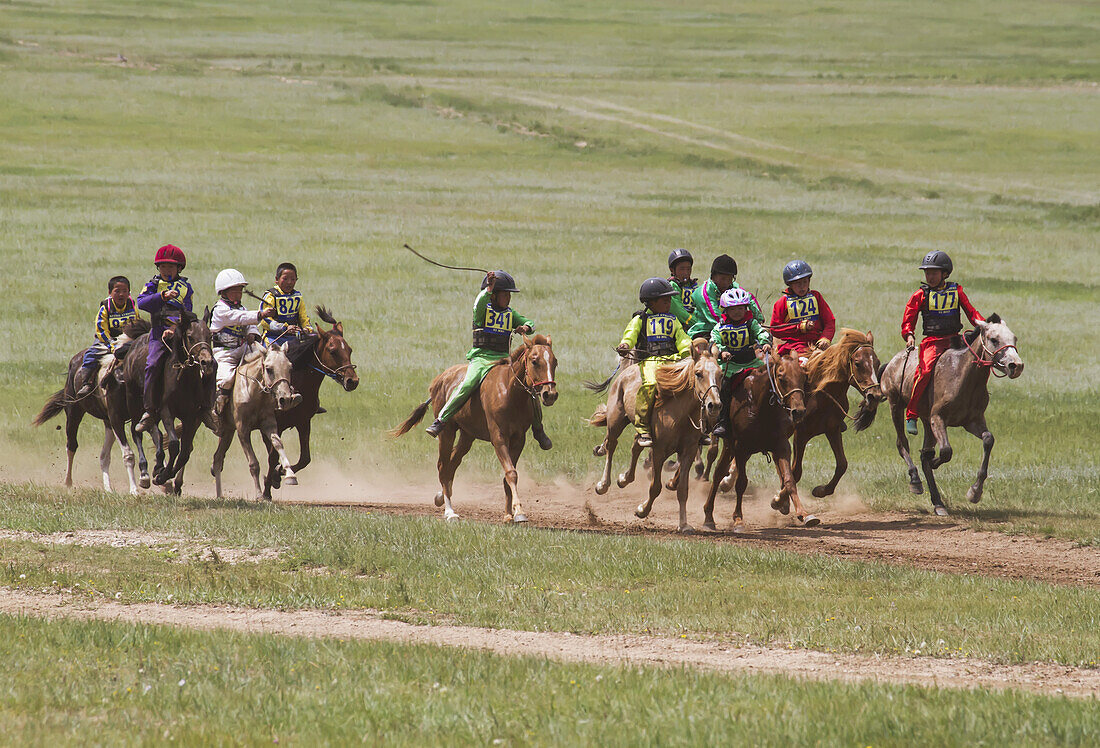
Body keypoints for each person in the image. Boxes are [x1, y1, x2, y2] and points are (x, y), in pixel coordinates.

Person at [425, 271, 552, 450]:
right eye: (505, 294)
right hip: (482, 359)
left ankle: (538, 429)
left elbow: (529, 322)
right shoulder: (482, 311)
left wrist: (526, 326)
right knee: (468, 384)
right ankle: (441, 419)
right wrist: (488, 289)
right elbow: (479, 303)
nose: (508, 298)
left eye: (509, 295)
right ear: (493, 296)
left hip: (503, 360)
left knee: (530, 390)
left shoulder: (510, 313)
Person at [900, 251, 985, 435]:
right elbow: (909, 317)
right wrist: (909, 334)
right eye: (927, 273)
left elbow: (971, 312)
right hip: (933, 342)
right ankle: (912, 414)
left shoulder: (957, 291)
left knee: (975, 365)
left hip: (955, 339)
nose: (929, 277)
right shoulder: (920, 295)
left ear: (944, 273)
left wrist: (983, 325)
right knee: (925, 372)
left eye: (934, 273)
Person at [616, 277, 693, 448]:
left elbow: (682, 338)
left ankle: (695, 429)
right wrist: (625, 344)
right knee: (650, 384)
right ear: (651, 302)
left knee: (692, 384)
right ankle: (643, 428)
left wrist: (688, 351)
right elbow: (630, 334)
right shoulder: (640, 320)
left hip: (672, 360)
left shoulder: (673, 320)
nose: (668, 303)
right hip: (650, 361)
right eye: (664, 300)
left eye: (669, 300)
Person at [209, 269, 278, 433]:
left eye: (240, 290)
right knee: (225, 379)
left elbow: (249, 324)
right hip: (225, 354)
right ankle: (217, 413)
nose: (238, 293)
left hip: (244, 350)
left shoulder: (242, 307)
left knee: (268, 363)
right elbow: (238, 318)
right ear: (224, 292)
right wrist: (261, 314)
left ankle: (279, 398)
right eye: (235, 290)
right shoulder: (220, 309)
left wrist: (253, 334)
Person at [135, 245, 194, 433]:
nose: (167, 271)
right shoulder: (152, 284)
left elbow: (188, 311)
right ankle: (149, 410)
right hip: (158, 333)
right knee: (152, 364)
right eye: (163, 267)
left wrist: (175, 327)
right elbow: (141, 302)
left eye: (171, 267)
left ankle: (205, 406)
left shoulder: (186, 287)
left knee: (203, 361)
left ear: (179, 268)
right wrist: (162, 296)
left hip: (180, 333)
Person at [711, 288, 771, 439]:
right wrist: (722, 352)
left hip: (751, 362)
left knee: (769, 382)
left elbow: (762, 333)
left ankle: (775, 414)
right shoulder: (720, 327)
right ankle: (722, 422)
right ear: (726, 310)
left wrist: (765, 343)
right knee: (723, 388)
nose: (738, 312)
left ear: (746, 308)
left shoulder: (751, 323)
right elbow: (715, 342)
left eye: (741, 308)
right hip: (730, 366)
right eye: (733, 309)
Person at [73, 276, 140, 398]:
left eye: (125, 291)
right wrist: (111, 344)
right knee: (90, 355)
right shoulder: (105, 307)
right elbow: (101, 330)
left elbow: (136, 324)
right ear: (110, 292)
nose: (121, 294)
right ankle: (86, 383)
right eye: (117, 291)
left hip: (126, 339)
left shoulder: (132, 306)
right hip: (106, 340)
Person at [688, 254, 764, 343]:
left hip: (732, 328)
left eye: (729, 279)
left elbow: (748, 298)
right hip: (707, 331)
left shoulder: (733, 287)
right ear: (713, 276)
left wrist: (759, 322)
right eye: (723, 279)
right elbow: (715, 317)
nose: (726, 283)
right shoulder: (703, 292)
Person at [770, 259, 836, 357]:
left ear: (809, 281)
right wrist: (799, 327)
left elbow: (829, 321)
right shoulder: (782, 303)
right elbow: (775, 329)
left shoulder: (816, 297)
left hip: (817, 343)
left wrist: (825, 338)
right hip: (794, 346)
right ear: (790, 284)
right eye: (798, 284)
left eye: (805, 282)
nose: (802, 287)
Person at [259, 262, 314, 346]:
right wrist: (284, 328)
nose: (289, 282)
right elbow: (264, 320)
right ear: (277, 279)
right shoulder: (271, 296)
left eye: (293, 279)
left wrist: (306, 330)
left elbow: (303, 318)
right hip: (273, 338)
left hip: (292, 339)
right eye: (285, 279)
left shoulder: (297, 297)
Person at [667, 248, 698, 330]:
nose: (686, 273)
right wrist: (696, 323)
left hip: (692, 324)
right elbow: (678, 311)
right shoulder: (672, 286)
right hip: (677, 326)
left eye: (688, 269)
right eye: (682, 269)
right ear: (672, 270)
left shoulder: (693, 285)